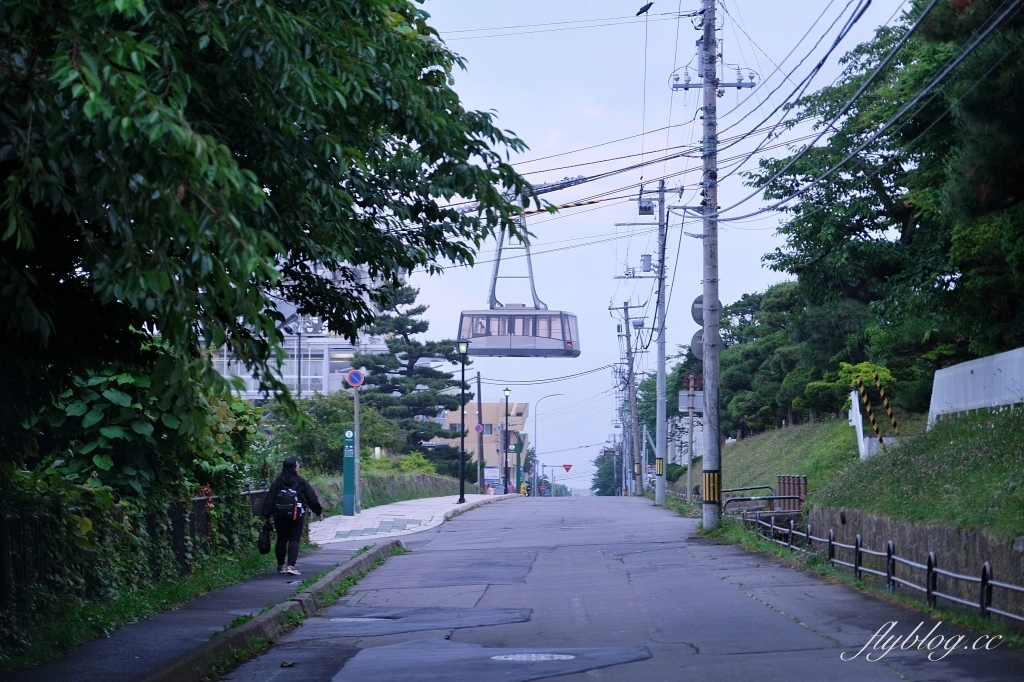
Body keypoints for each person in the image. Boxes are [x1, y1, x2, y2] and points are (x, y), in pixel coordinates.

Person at [261, 457, 323, 575]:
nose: (298, 467)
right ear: (294, 467)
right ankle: (291, 566)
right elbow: (311, 497)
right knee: (294, 539)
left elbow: (270, 499)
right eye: (297, 465)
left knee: (281, 539)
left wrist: (266, 516)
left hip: (279, 515)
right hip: (296, 514)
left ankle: (281, 566)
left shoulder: (278, 482)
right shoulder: (301, 482)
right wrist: (318, 512)